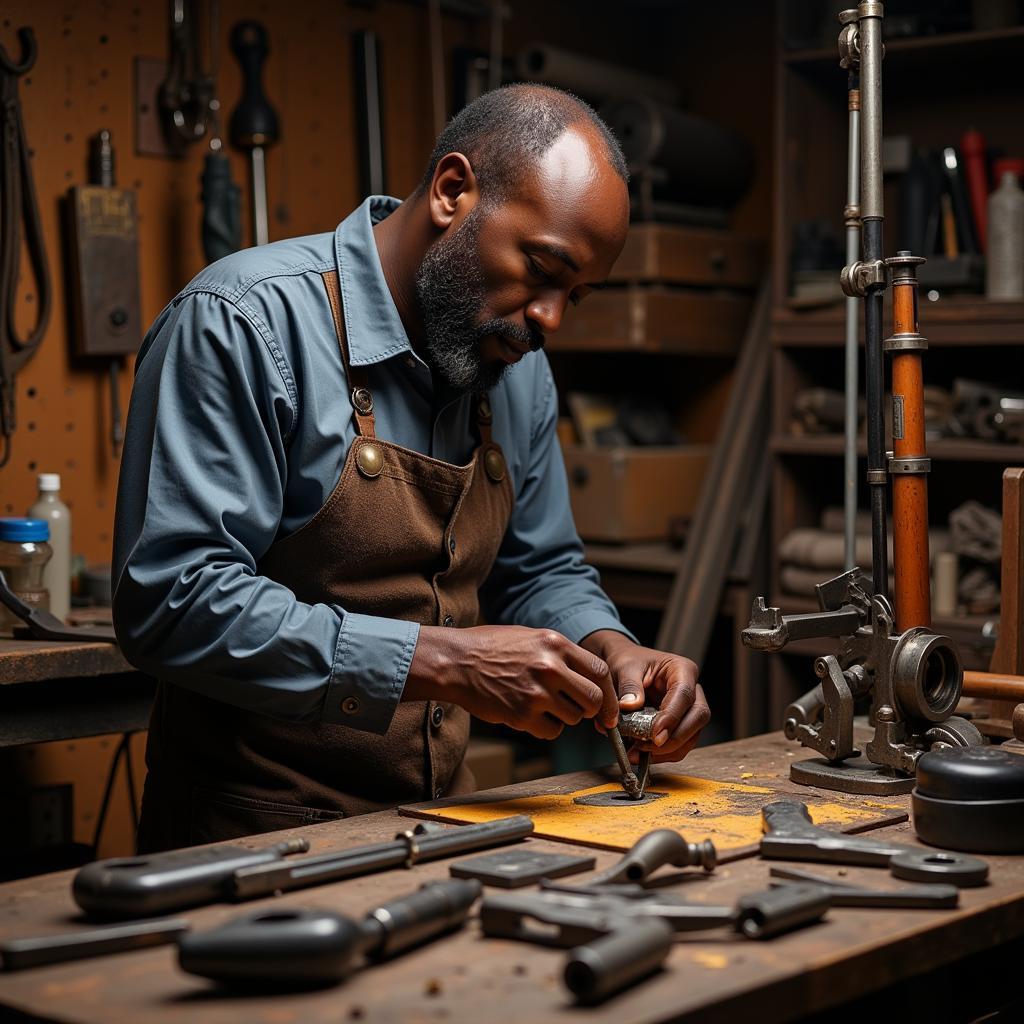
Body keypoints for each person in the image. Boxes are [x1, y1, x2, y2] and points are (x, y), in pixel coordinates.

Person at [113, 84, 709, 852]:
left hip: (439, 828)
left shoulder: (515, 365)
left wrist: (612, 648)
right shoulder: (246, 323)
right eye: (540, 267)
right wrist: (443, 661)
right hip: (244, 838)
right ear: (452, 191)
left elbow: (540, 569)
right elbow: (170, 600)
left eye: (578, 295)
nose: (551, 319)